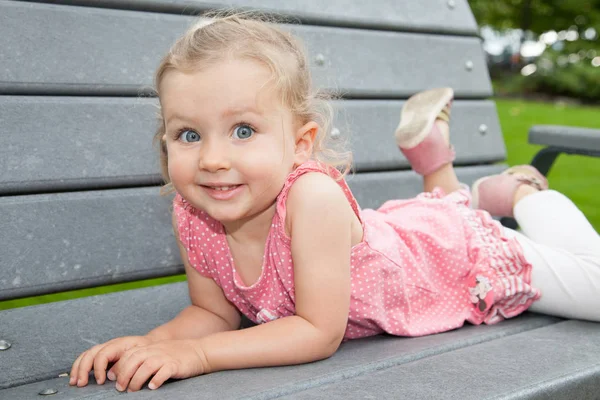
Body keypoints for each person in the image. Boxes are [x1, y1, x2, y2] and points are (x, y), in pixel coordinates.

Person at [69, 13, 600, 393]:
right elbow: (212, 314)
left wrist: (198, 355)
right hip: (405, 242)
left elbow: (317, 332)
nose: (211, 159)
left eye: (244, 130)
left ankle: (522, 192)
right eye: (188, 135)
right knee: (445, 218)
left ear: (301, 144)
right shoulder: (194, 211)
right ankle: (445, 178)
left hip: (459, 260)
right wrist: (150, 344)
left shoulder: (311, 196)